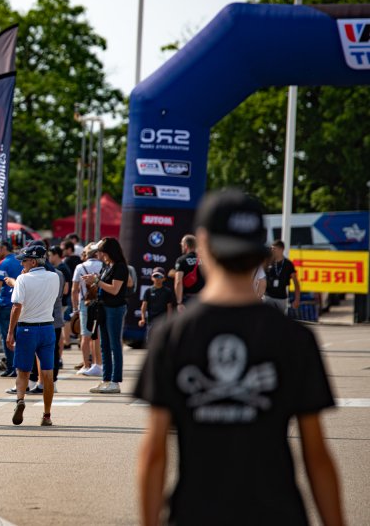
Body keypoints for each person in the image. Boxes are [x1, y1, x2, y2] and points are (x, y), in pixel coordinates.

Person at [135, 189, 343, 526]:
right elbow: (316, 455)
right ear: (260, 250)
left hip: (195, 514)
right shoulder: (294, 338)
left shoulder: (171, 335)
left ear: (203, 245)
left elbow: (154, 453)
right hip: (278, 514)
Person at [5, 245, 60, 426]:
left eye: (25, 260)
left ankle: (20, 400)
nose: (22, 263)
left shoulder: (23, 279)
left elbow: (16, 306)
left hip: (27, 328)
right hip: (47, 328)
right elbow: (39, 289)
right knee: (47, 373)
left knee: (23, 371)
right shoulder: (54, 277)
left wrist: (10, 332)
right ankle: (47, 415)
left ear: (33, 262)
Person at [82, 237, 128, 394]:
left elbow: (115, 289)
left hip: (115, 308)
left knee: (114, 344)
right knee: (104, 344)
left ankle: (115, 381)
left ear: (108, 251)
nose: (98, 254)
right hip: (103, 307)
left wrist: (96, 281)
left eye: (100, 251)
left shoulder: (120, 267)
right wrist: (93, 281)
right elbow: (104, 286)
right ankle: (106, 379)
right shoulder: (107, 266)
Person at [71, 244, 103, 377]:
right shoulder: (103, 266)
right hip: (100, 303)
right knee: (98, 335)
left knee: (85, 335)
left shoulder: (80, 267)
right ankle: (98, 364)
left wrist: (75, 308)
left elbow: (74, 290)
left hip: (85, 303)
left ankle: (86, 365)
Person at [0, 240, 22, 377]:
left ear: (4, 249)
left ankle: (11, 367)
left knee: (7, 337)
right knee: (19, 337)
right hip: (20, 304)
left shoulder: (2, 264)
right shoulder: (20, 261)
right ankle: (19, 366)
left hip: (5, 304)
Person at [264, 240, 301, 314]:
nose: (272, 251)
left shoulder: (288, 264)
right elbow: (260, 278)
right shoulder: (268, 262)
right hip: (268, 296)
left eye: (274, 249)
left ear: (281, 249)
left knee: (278, 319)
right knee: (266, 317)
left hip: (281, 298)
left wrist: (297, 299)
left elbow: (296, 282)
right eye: (271, 248)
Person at [138, 267, 175, 343]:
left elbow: (169, 308)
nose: (157, 278)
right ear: (152, 278)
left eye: (160, 276)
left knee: (162, 342)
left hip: (163, 321)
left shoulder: (167, 291)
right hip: (151, 321)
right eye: (155, 276)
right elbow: (144, 306)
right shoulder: (148, 291)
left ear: (164, 279)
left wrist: (169, 321)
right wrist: (143, 319)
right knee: (150, 342)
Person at [174, 234, 206, 311]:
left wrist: (179, 302)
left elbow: (178, 282)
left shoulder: (181, 260)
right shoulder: (205, 259)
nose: (181, 246)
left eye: (182, 244)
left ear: (185, 245)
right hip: (203, 298)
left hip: (188, 299)